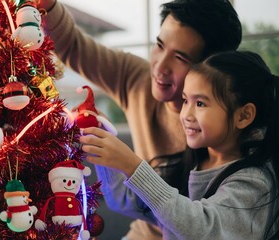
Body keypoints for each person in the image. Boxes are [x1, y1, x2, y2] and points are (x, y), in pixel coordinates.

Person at [37, 0, 242, 239]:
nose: (160, 66)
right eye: (159, 45)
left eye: (180, 58)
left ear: (211, 68)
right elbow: (74, 46)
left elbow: (206, 226)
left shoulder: (228, 132)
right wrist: (48, 6)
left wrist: (130, 164)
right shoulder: (139, 78)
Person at [79, 50, 279, 239]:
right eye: (185, 101)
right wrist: (100, 141)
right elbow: (121, 200)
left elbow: (200, 229)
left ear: (244, 116)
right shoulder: (192, 166)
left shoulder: (254, 182)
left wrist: (133, 166)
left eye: (200, 103)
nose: (186, 115)